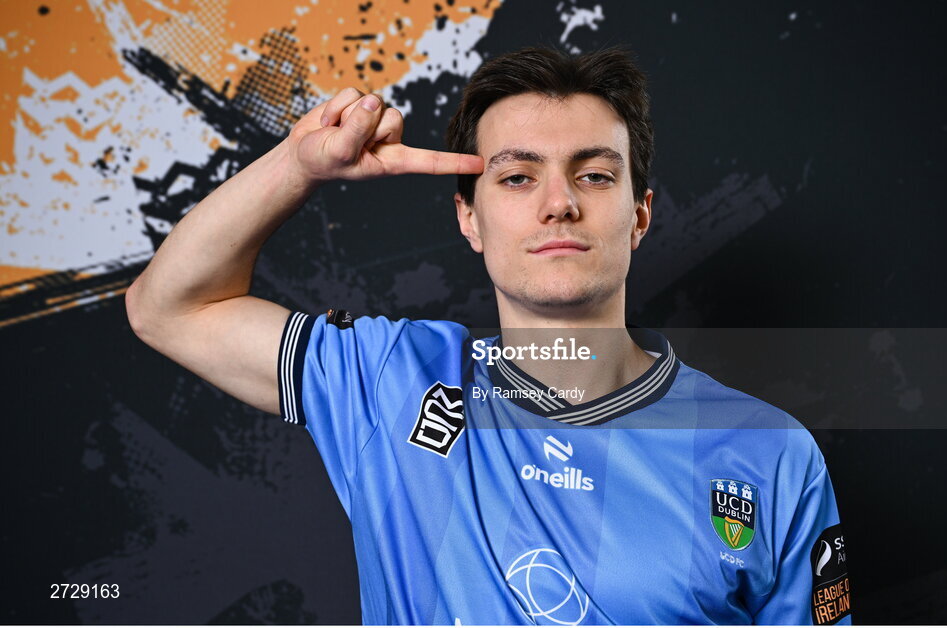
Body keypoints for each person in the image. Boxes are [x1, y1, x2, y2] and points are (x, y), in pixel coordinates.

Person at [126, 46, 851, 625]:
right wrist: (298, 165)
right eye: (517, 178)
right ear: (468, 218)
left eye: (595, 176)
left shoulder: (768, 453)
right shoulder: (388, 379)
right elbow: (167, 307)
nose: (559, 203)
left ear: (640, 215)